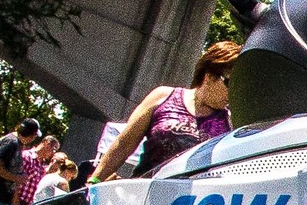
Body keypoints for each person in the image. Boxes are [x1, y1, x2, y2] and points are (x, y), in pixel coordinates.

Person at [92, 42, 238, 181]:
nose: (234, 93)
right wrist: (94, 181)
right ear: (209, 76)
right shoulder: (163, 96)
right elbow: (123, 144)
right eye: (231, 84)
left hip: (191, 204)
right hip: (141, 196)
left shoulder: (230, 123)